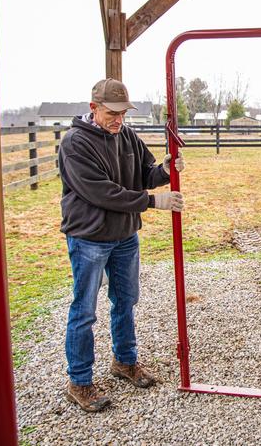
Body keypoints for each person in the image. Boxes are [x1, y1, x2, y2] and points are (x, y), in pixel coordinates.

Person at [58, 78, 185, 412]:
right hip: (89, 238)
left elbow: (144, 173)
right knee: (84, 310)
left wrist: (165, 170)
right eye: (112, 112)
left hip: (125, 236)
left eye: (123, 112)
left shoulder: (126, 135)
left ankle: (124, 362)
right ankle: (80, 381)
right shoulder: (75, 144)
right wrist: (153, 202)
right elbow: (102, 192)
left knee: (126, 300)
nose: (118, 119)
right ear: (93, 108)